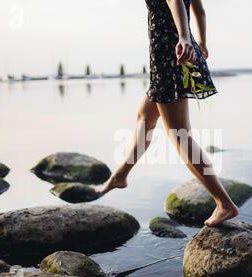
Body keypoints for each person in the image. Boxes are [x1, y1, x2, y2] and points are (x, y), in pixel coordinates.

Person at [101, 0, 239, 227]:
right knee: (145, 117)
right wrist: (200, 41)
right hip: (177, 51)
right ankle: (121, 175)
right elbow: (199, 9)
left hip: (169, 53)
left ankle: (224, 203)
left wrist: (184, 37)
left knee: (179, 135)